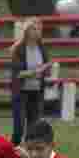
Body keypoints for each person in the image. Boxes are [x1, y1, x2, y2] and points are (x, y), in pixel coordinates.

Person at [8, 17, 52, 145]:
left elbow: (46, 69)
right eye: (34, 29)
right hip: (21, 92)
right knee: (19, 128)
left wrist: (47, 70)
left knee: (33, 128)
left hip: (36, 92)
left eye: (39, 29)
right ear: (27, 31)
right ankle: (12, 151)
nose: (37, 32)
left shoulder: (42, 48)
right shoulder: (19, 49)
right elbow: (18, 74)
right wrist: (36, 72)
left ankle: (30, 154)